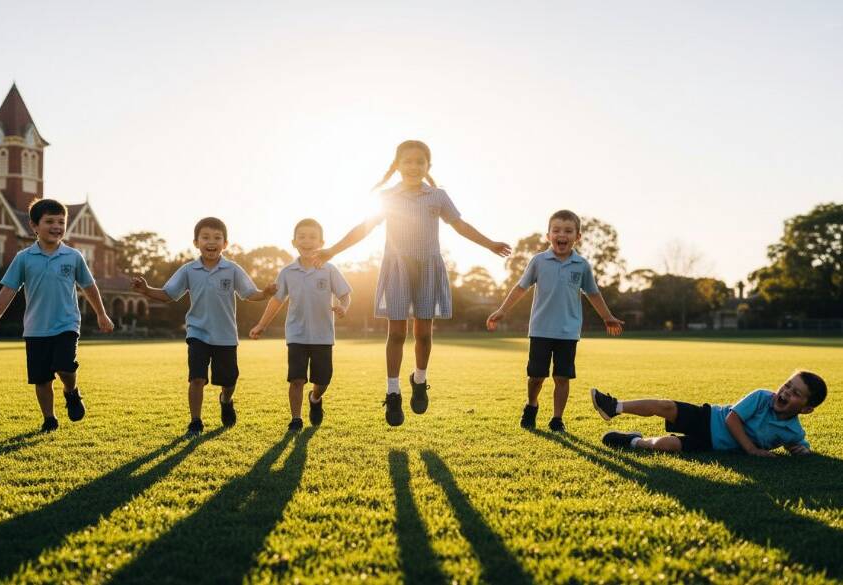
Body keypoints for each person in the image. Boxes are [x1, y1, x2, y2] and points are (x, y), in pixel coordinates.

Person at [313, 140, 511, 426]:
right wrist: (332, 250)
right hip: (398, 269)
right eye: (407, 161)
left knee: (424, 335)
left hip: (428, 268)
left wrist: (489, 244)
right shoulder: (388, 197)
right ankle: (393, 393)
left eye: (420, 161)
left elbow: (461, 225)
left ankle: (419, 380)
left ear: (427, 166)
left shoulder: (438, 196)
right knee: (396, 334)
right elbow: (363, 228)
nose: (414, 166)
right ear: (398, 165)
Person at [132, 217, 275, 437]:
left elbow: (249, 293)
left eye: (217, 238)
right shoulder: (189, 270)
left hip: (226, 335)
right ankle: (195, 422)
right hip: (197, 333)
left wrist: (265, 294)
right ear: (196, 242)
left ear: (225, 244)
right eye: (205, 237)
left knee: (228, 381)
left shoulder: (232, 269)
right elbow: (169, 294)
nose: (211, 242)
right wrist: (146, 289)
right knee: (197, 378)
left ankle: (226, 401)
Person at [0, 198, 115, 432]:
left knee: (65, 366)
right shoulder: (24, 257)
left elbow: (89, 286)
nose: (57, 226)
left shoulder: (73, 256)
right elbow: (9, 289)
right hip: (35, 328)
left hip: (66, 324)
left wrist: (101, 314)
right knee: (42, 379)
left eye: (61, 222)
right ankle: (49, 419)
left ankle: (71, 392)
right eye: (50, 221)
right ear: (34, 226)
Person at [487, 209, 624, 432]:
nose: (562, 234)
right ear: (548, 235)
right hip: (540, 329)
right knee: (536, 376)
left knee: (562, 377)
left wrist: (607, 317)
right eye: (557, 230)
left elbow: (593, 293)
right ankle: (532, 405)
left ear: (577, 236)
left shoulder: (582, 265)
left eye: (568, 231)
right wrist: (502, 310)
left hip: (568, 332)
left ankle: (557, 418)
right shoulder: (538, 261)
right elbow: (521, 287)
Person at [250, 218, 352, 431]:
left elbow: (345, 295)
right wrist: (262, 325)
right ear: (294, 242)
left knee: (323, 381)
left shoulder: (329, 269)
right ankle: (296, 419)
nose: (307, 241)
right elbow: (276, 300)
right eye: (302, 237)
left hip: (323, 336)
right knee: (296, 379)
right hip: (296, 335)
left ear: (322, 242)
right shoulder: (288, 272)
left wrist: (343, 307)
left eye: (313, 237)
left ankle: (315, 399)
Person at [592, 370, 827, 455]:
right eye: (787, 385)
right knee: (666, 407)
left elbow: (797, 443)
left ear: (806, 409)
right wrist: (752, 450)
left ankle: (633, 441)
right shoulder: (762, 397)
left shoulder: (792, 430)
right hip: (710, 419)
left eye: (795, 393)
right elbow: (732, 419)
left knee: (665, 446)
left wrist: (800, 450)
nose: (785, 392)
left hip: (714, 446)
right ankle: (615, 407)